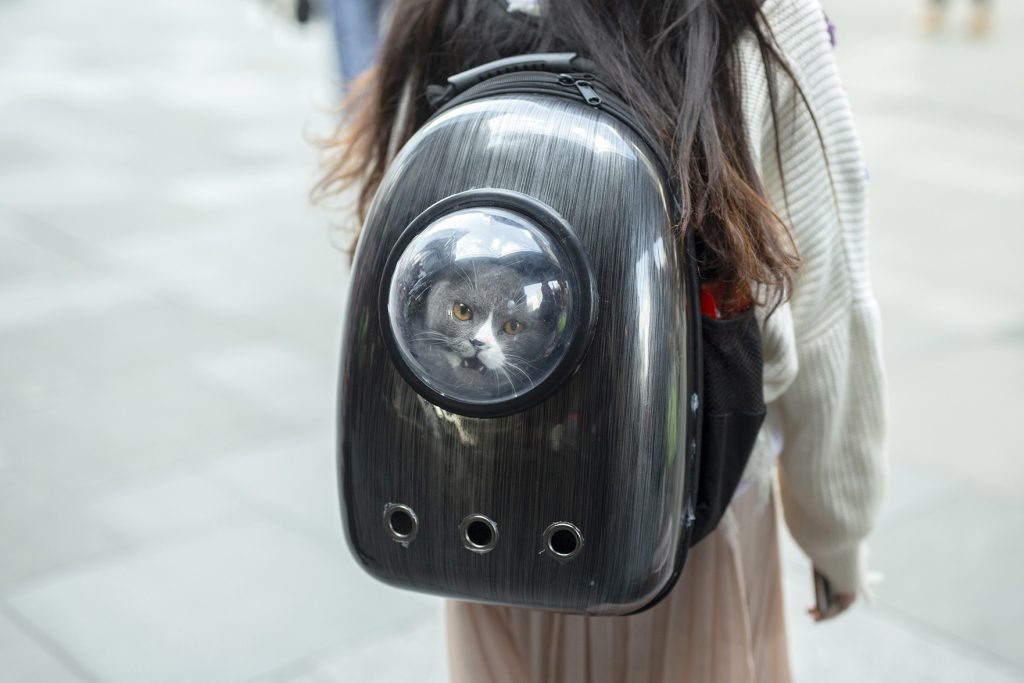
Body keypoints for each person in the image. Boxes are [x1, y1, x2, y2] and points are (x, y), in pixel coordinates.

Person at [316, 0, 888, 680]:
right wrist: (837, 536)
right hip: (677, 519)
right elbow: (827, 307)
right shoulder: (758, 13)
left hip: (478, 506)